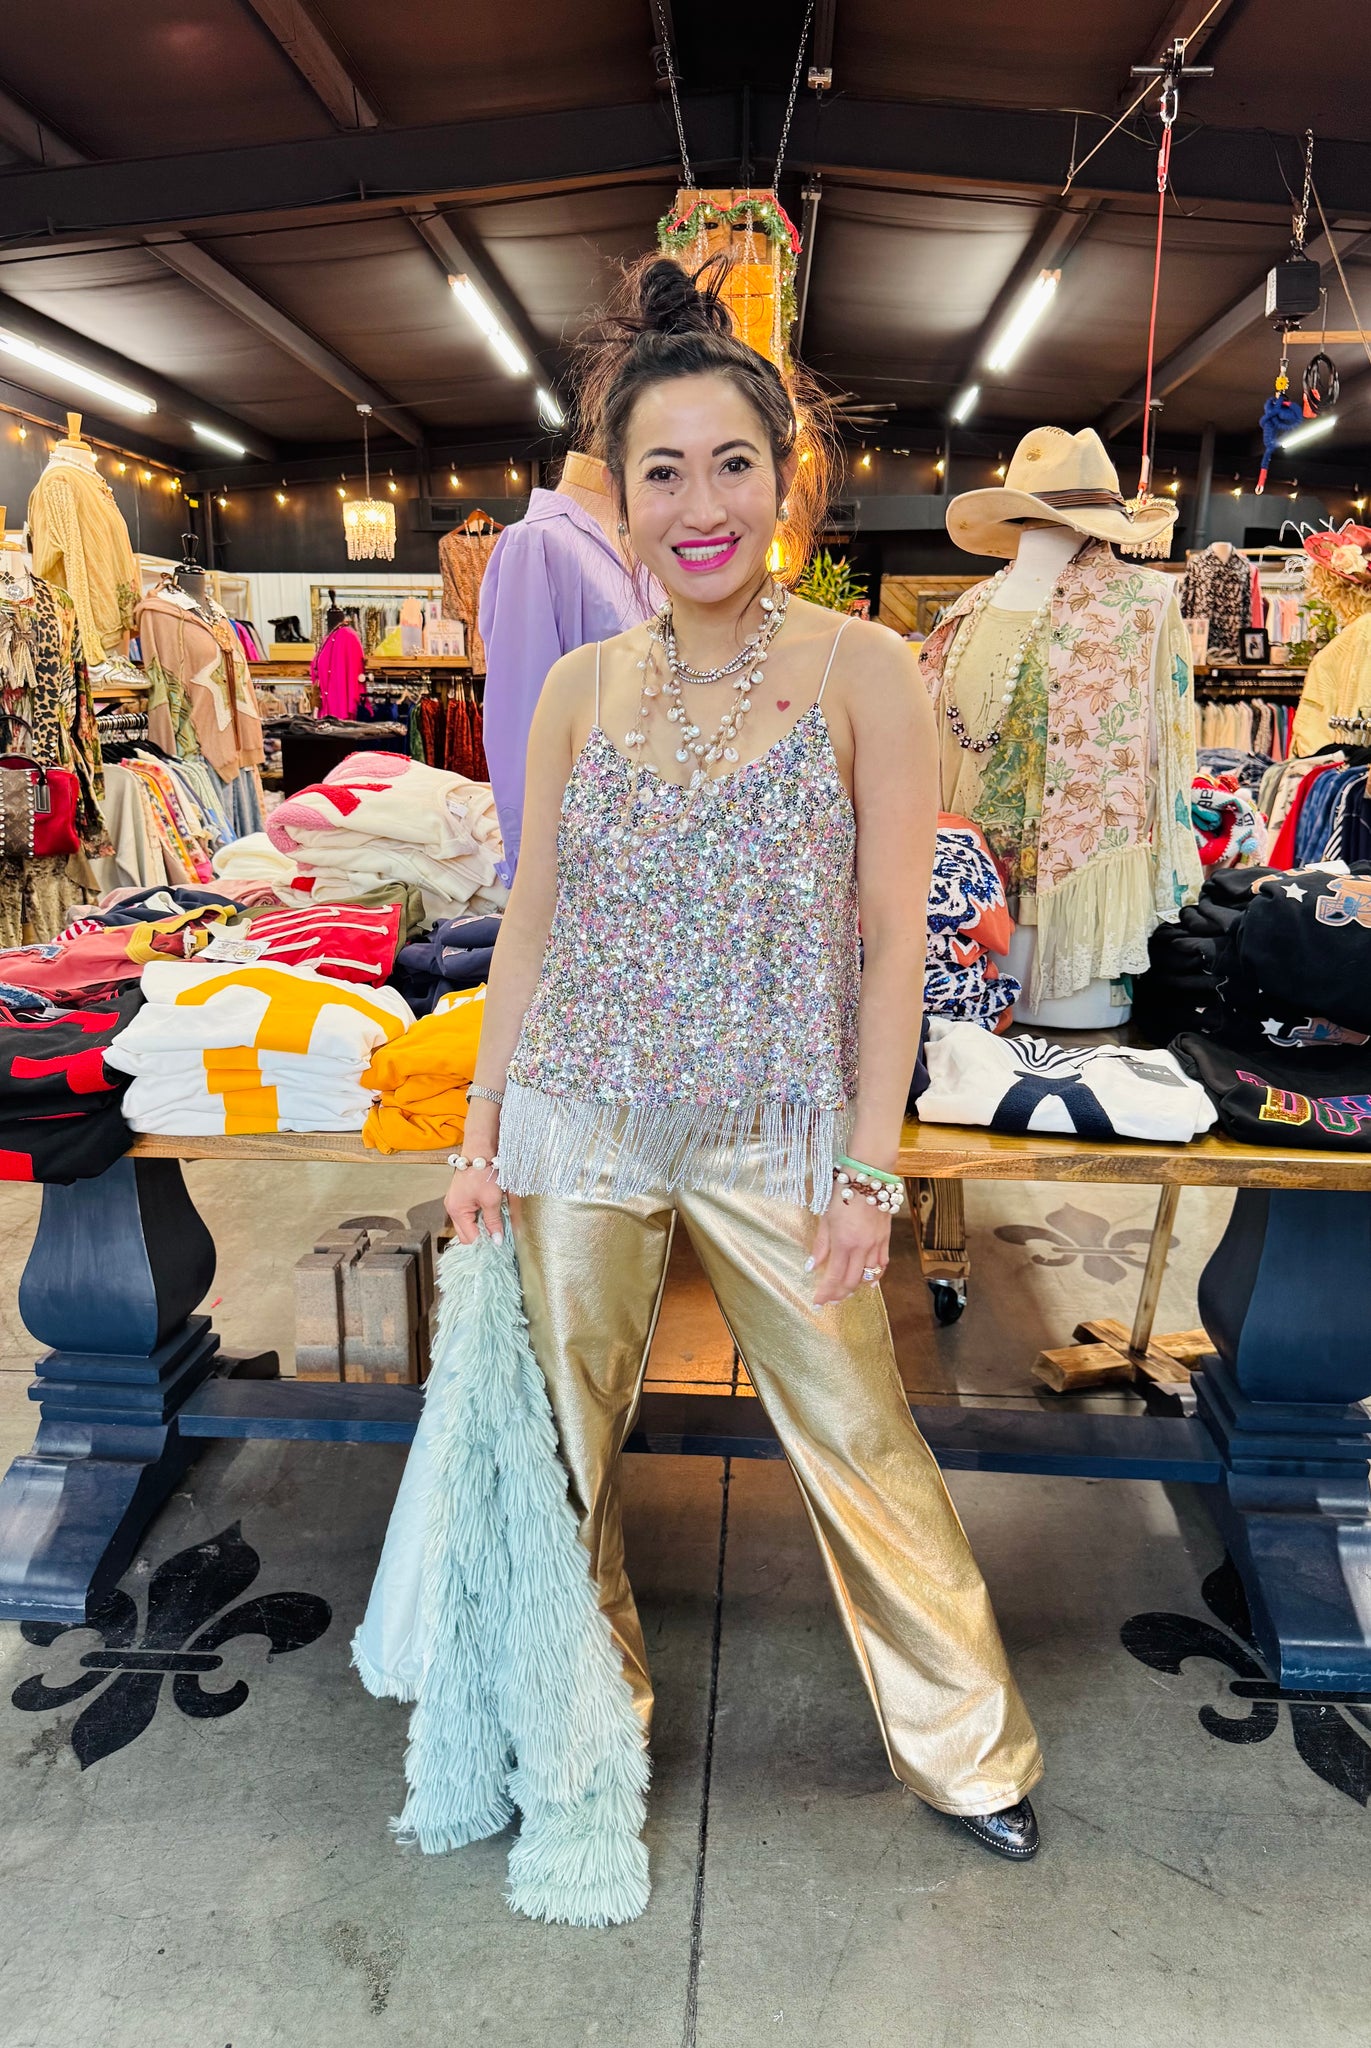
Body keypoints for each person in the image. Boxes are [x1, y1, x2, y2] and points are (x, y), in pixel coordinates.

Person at [444, 255, 1043, 1860]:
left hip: (779, 1124)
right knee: (560, 1444)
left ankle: (970, 1748)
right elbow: (533, 920)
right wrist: (483, 1127)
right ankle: (582, 1724)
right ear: (619, 493)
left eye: (731, 465)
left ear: (786, 480)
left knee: (858, 1429)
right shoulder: (578, 686)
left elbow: (896, 940)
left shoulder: (866, 672)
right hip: (581, 1111)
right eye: (664, 472)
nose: (699, 505)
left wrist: (869, 1168)